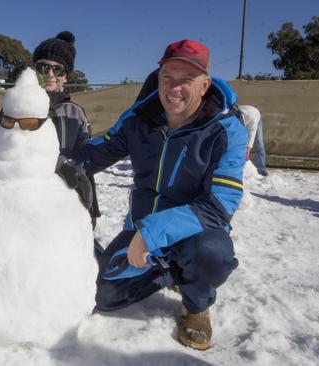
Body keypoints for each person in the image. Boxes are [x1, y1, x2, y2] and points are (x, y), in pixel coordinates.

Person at [63, 39, 247, 350]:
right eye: (167, 78)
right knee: (104, 297)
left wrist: (153, 233)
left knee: (211, 255)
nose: (174, 88)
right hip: (141, 230)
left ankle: (196, 305)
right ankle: (168, 272)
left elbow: (219, 205)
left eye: (186, 80)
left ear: (204, 85)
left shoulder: (226, 129)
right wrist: (52, 165)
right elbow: (97, 153)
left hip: (195, 232)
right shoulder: (139, 120)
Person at [32, 31, 101, 229]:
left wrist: (91, 209)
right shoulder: (18, 107)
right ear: (33, 70)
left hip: (66, 195)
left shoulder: (75, 114)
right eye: (43, 67)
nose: (50, 75)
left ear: (66, 75)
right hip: (28, 195)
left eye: (58, 70)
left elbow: (85, 159)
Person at [239, 105, 269, 176]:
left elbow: (252, 133)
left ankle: (261, 168)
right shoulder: (234, 116)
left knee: (259, 142)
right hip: (243, 109)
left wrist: (248, 149)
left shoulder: (253, 119)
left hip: (255, 114)